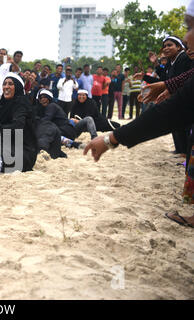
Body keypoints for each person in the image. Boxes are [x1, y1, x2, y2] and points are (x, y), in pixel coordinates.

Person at [84, 0, 194, 228]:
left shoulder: (182, 58)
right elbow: (185, 83)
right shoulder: (181, 63)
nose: (186, 38)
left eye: (190, 27)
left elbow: (171, 112)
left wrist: (110, 138)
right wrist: (167, 86)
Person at [33, 89, 67, 159]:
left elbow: (46, 120)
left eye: (45, 98)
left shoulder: (51, 106)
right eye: (41, 98)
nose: (42, 100)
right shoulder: (42, 108)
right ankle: (74, 144)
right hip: (58, 132)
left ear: (49, 98)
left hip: (63, 130)